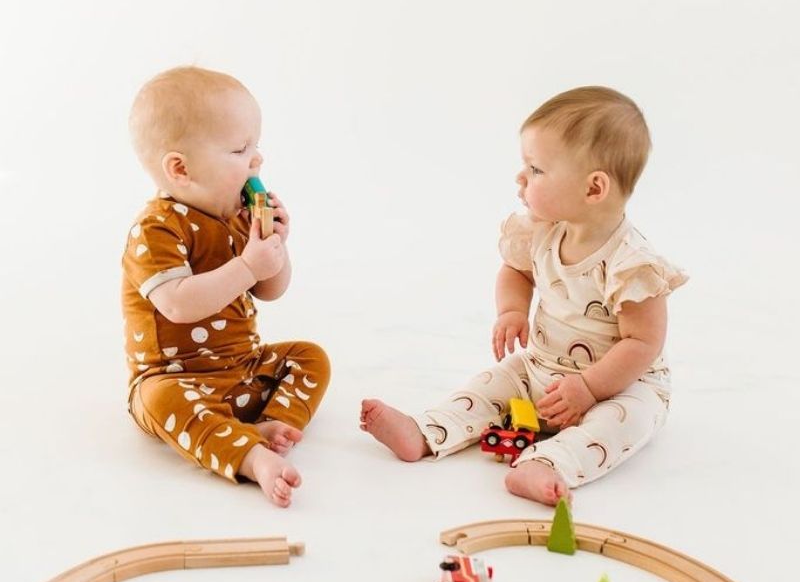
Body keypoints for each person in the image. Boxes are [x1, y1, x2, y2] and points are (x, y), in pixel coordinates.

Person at [361, 86, 687, 506]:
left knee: (627, 420)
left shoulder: (631, 265)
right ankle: (426, 430)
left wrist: (589, 388)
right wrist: (512, 310)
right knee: (493, 383)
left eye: (535, 169)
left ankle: (548, 464)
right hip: (541, 367)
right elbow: (516, 271)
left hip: (620, 385)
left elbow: (643, 342)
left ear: (593, 189)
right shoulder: (541, 231)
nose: (520, 177)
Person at [122, 66, 330, 507]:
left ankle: (272, 424)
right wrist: (247, 265)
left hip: (242, 369)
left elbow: (270, 291)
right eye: (240, 150)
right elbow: (177, 304)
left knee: (310, 357)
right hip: (177, 378)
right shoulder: (157, 229)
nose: (257, 161)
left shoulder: (236, 218)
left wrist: (274, 247)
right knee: (156, 400)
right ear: (181, 169)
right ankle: (250, 456)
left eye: (256, 147)